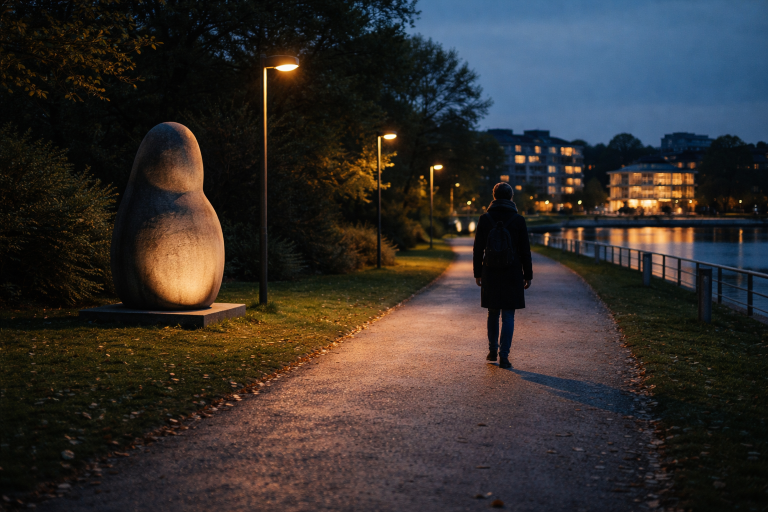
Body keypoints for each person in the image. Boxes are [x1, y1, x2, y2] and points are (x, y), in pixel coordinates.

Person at [472, 182, 533, 369]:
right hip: (512, 271)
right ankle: (504, 356)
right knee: (508, 316)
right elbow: (525, 250)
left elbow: (478, 249)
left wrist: (478, 273)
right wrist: (527, 275)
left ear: (494, 196)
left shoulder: (484, 219)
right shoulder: (518, 220)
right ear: (511, 197)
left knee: (492, 312)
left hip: (490, 271)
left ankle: (492, 349)